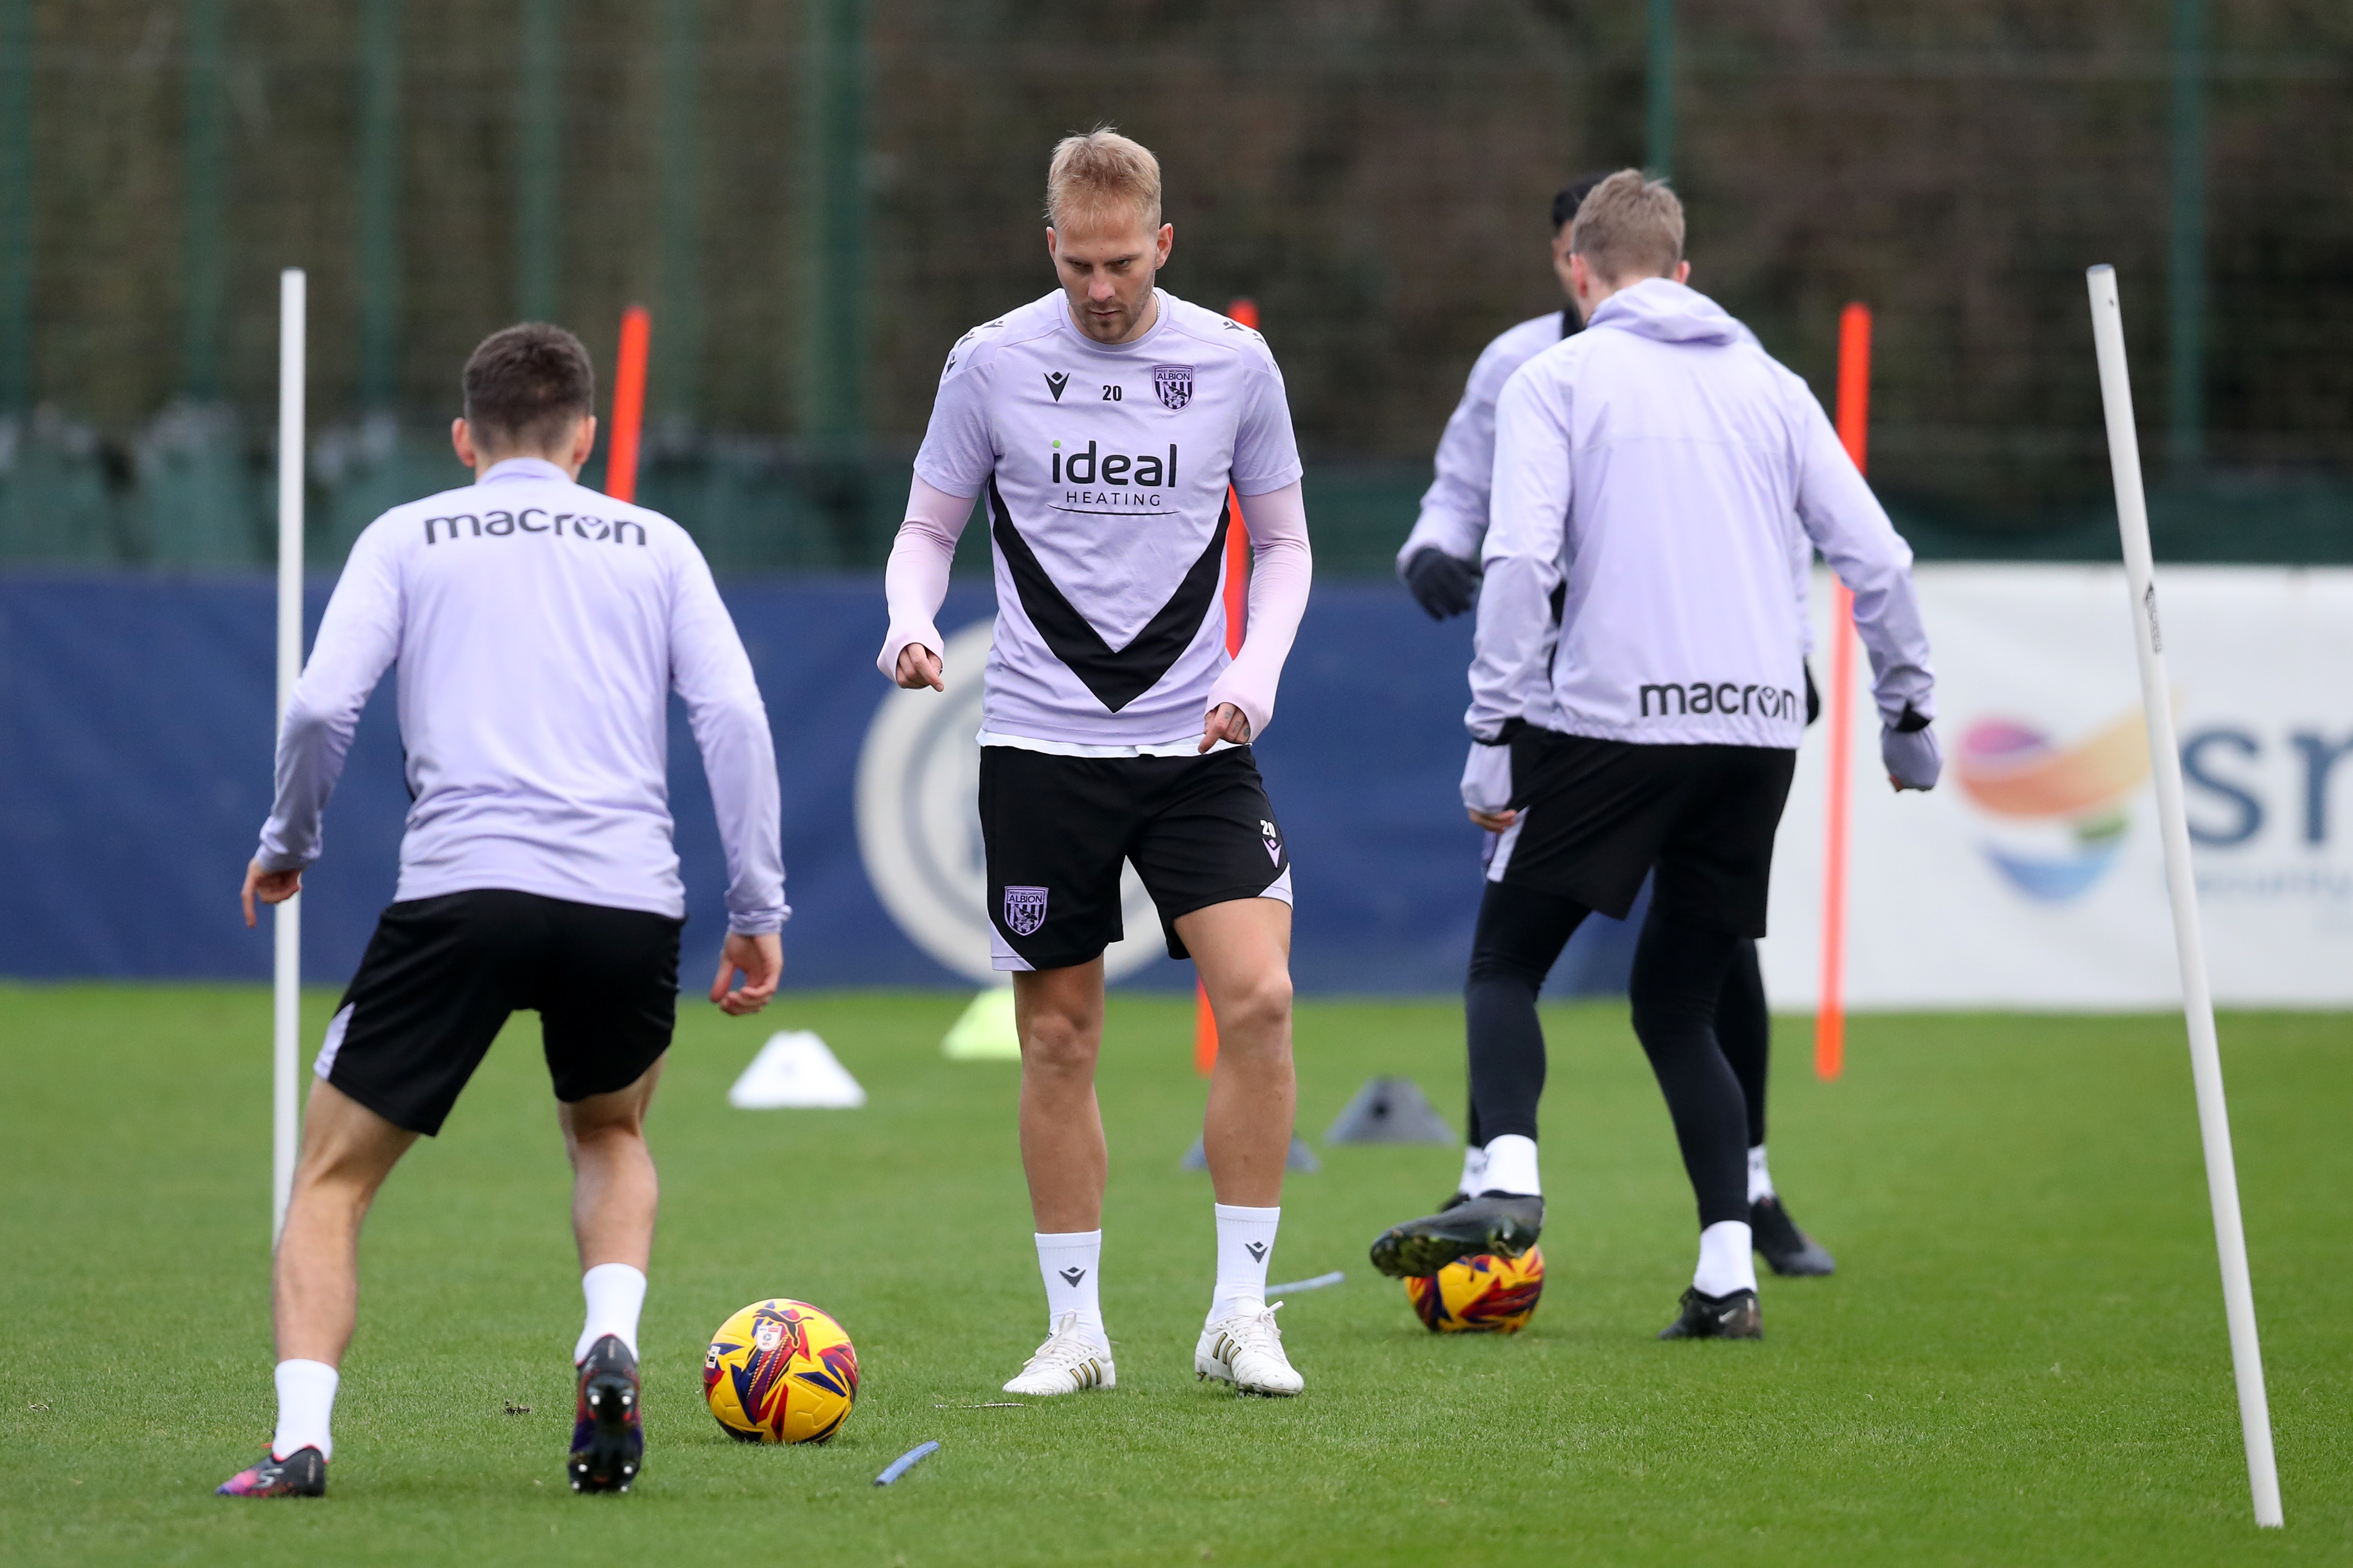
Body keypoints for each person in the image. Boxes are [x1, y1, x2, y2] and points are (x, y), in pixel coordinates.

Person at [218, 324, 787, 1499]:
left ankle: (301, 1441)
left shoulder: (408, 535)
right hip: (627, 897)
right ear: (586, 434)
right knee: (611, 1135)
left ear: (465, 437)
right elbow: (733, 718)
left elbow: (322, 707)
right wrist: (756, 904)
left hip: (464, 890)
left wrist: (290, 844)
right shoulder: (657, 544)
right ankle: (606, 1338)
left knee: (331, 1180)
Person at [1369, 172, 1939, 1340]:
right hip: (1756, 731)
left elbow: (1521, 562)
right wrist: (1910, 714)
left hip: (1615, 726)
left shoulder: (1558, 376)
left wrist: (1493, 733)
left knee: (1505, 964)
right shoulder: (1774, 385)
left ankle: (1511, 1179)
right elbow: (1878, 559)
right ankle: (1728, 1276)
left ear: (1579, 271)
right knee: (1681, 1005)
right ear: (1685, 270)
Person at [878, 128, 1313, 1397]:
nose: (1102, 290)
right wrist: (910, 624)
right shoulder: (991, 361)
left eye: (1123, 264)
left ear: (1163, 244)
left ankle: (1241, 1316)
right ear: (1050, 248)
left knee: (1263, 1000)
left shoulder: (1234, 363)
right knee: (1060, 1040)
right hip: (1038, 746)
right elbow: (927, 530)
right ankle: (1076, 1331)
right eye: (1080, 266)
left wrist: (1254, 674)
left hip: (1198, 746)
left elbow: (1283, 546)